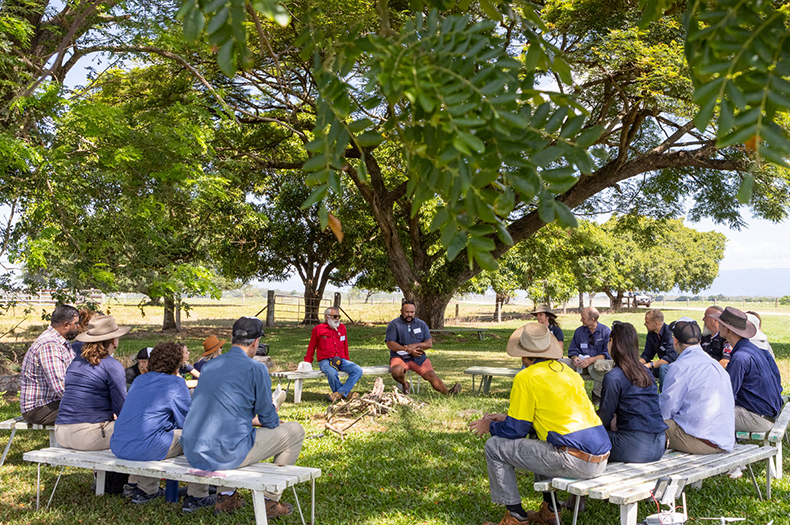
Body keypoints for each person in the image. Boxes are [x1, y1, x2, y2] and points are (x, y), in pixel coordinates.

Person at [471, 323, 610, 525]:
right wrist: (507, 417)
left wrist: (489, 426)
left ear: (524, 356)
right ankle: (550, 511)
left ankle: (516, 517)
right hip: (600, 458)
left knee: (493, 447)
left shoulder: (526, 376)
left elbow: (515, 431)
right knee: (540, 439)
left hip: (575, 460)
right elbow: (546, 418)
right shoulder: (568, 372)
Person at [181, 316, 305, 518]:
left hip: (193, 450)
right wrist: (273, 411)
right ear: (256, 343)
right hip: (224, 453)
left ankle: (227, 497)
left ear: (231, 338)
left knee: (230, 434)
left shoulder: (209, 366)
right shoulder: (256, 368)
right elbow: (269, 419)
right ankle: (270, 500)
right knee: (295, 431)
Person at [111, 342, 211, 509]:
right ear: (177, 363)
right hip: (146, 447)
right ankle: (198, 494)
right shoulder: (176, 384)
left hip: (119, 444)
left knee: (153, 432)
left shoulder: (139, 379)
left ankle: (139, 487)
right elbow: (188, 422)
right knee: (200, 434)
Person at [54, 315, 130, 450]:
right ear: (113, 341)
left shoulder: (76, 362)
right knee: (141, 432)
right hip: (88, 435)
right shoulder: (112, 365)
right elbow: (123, 408)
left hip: (60, 432)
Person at [659, 318, 734, 454]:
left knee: (646, 421)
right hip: (724, 440)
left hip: (702, 441)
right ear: (699, 341)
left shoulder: (679, 367)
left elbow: (665, 411)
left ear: (675, 341)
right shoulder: (714, 364)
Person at [598, 321, 667, 463]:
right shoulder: (646, 372)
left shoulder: (613, 377)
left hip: (635, 447)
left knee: (582, 438)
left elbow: (605, 416)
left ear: (612, 342)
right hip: (659, 443)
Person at [710, 307, 783, 432]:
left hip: (759, 419)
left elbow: (728, 395)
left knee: (704, 415)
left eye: (720, 324)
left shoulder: (740, 357)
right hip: (766, 413)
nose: (718, 326)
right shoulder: (752, 349)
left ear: (727, 329)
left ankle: (718, 449)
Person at [19, 304, 80, 425]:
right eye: (76, 323)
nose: (78, 327)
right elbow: (61, 387)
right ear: (66, 325)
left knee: (97, 406)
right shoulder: (49, 345)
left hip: (53, 402)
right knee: (94, 411)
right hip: (39, 408)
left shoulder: (60, 342)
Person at [385, 300, 461, 396]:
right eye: (407, 312)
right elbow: (390, 344)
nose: (410, 315)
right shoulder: (394, 324)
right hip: (399, 357)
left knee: (431, 375)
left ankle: (448, 394)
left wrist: (414, 346)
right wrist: (407, 350)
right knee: (396, 371)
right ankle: (405, 384)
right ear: (401, 311)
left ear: (415, 312)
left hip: (418, 357)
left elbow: (429, 344)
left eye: (412, 312)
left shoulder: (421, 324)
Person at [304, 307, 363, 402]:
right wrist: (307, 361)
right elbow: (311, 346)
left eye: (339, 316)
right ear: (327, 317)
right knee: (332, 373)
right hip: (325, 360)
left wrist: (347, 359)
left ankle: (339, 393)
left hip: (340, 359)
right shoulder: (318, 329)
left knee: (358, 370)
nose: (337, 319)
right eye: (335, 316)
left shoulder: (342, 328)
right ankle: (346, 394)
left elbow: (345, 344)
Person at [566, 307, 612, 403]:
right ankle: (566, 394)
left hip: (596, 363)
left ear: (593, 319)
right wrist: (575, 358)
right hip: (580, 363)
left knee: (600, 365)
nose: (581, 320)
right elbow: (572, 349)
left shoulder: (606, 332)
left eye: (583, 318)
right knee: (560, 363)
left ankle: (597, 395)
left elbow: (607, 353)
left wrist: (591, 360)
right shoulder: (579, 331)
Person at [639, 309, 677, 391]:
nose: (644, 324)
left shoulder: (669, 333)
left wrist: (649, 365)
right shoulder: (651, 335)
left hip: (675, 366)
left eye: (647, 322)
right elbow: (646, 355)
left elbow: (670, 358)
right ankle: (646, 397)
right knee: (640, 370)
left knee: (663, 368)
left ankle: (663, 397)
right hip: (660, 366)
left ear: (656, 323)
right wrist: (636, 364)